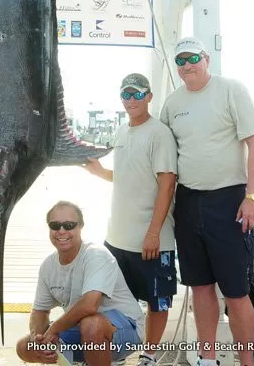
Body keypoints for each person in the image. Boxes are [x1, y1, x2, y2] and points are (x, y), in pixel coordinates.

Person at [160, 37, 254, 366]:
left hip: (229, 200)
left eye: (192, 57)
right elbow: (163, 159)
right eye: (180, 61)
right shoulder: (172, 104)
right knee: (200, 287)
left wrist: (252, 197)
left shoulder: (232, 90)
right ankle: (207, 359)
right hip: (188, 202)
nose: (186, 65)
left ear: (206, 58)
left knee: (236, 291)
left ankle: (245, 362)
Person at [84, 73, 177, 366]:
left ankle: (149, 355)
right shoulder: (122, 131)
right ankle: (119, 352)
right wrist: (100, 173)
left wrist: (153, 233)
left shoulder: (159, 133)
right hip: (116, 239)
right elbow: (129, 176)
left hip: (152, 240)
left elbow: (167, 183)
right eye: (126, 93)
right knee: (113, 301)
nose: (132, 99)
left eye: (138, 94)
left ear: (149, 96)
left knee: (157, 302)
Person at [16, 201, 144, 366]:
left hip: (126, 330)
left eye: (69, 225)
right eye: (55, 225)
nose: (62, 231)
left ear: (80, 226)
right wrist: (39, 338)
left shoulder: (96, 255)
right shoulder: (48, 266)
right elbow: (40, 311)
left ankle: (109, 360)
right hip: (83, 330)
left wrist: (54, 330)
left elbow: (90, 305)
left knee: (91, 324)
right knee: (24, 346)